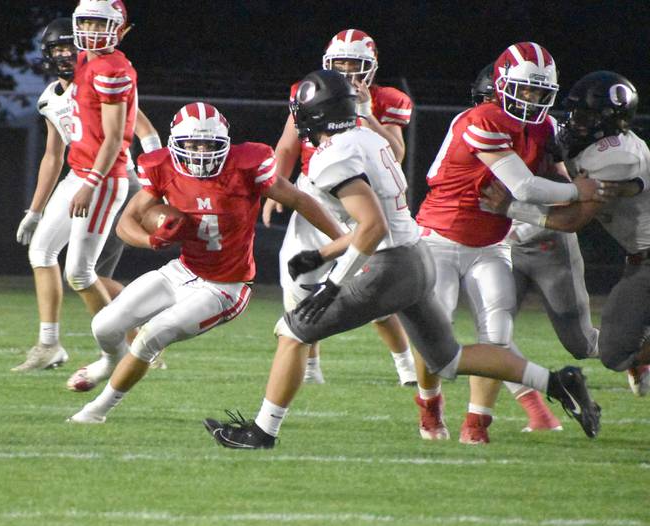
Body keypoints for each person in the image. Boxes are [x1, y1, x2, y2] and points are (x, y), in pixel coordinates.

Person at [202, 69, 601, 450]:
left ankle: (262, 432)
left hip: (392, 265)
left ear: (313, 114)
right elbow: (383, 218)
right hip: (418, 254)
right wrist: (325, 252)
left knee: (293, 333)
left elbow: (372, 226)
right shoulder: (368, 138)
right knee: (448, 359)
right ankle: (558, 382)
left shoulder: (330, 157)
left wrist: (334, 280)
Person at [66, 102, 344, 424]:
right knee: (104, 325)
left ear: (224, 145)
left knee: (151, 336)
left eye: (208, 144)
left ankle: (96, 412)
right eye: (192, 144)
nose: (200, 152)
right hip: (183, 271)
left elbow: (299, 199)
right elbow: (126, 222)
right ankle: (108, 362)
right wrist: (151, 240)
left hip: (226, 286)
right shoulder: (163, 169)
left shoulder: (246, 167)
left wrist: (343, 240)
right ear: (176, 145)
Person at [412, 43, 605, 444]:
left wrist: (573, 189)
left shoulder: (546, 127)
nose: (532, 100)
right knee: (435, 334)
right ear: (502, 85)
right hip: (440, 237)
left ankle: (477, 423)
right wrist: (578, 192)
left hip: (491, 243)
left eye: (540, 92)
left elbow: (556, 181)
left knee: (497, 335)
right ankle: (429, 404)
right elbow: (524, 186)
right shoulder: (482, 118)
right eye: (526, 89)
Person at [480, 71, 650, 397]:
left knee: (614, 352)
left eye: (585, 115)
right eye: (574, 112)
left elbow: (572, 219)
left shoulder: (620, 156)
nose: (575, 121)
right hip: (637, 260)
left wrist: (510, 209)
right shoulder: (592, 147)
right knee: (613, 351)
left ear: (611, 121)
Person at [11, 17, 165, 373]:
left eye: (70, 47)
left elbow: (140, 129)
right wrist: (34, 211)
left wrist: (153, 177)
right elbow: (53, 156)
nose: (64, 55)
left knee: (83, 274)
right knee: (46, 254)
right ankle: (49, 343)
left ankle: (134, 342)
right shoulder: (50, 97)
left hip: (112, 181)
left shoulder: (101, 76)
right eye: (57, 49)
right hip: (78, 179)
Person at [264, 29, 417, 386]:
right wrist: (276, 188)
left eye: (355, 65)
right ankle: (310, 368)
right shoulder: (309, 90)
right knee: (298, 284)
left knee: (376, 289)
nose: (347, 72)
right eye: (340, 64)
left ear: (372, 68)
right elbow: (287, 146)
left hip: (364, 199)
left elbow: (396, 153)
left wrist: (365, 112)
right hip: (317, 195)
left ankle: (407, 367)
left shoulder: (388, 99)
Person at [471, 64, 600, 362]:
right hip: (502, 245)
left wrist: (521, 221)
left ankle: (637, 355)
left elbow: (561, 191)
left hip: (545, 240)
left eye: (495, 102)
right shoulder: (474, 130)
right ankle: (516, 405)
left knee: (581, 344)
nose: (489, 111)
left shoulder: (542, 129)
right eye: (485, 102)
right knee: (492, 335)